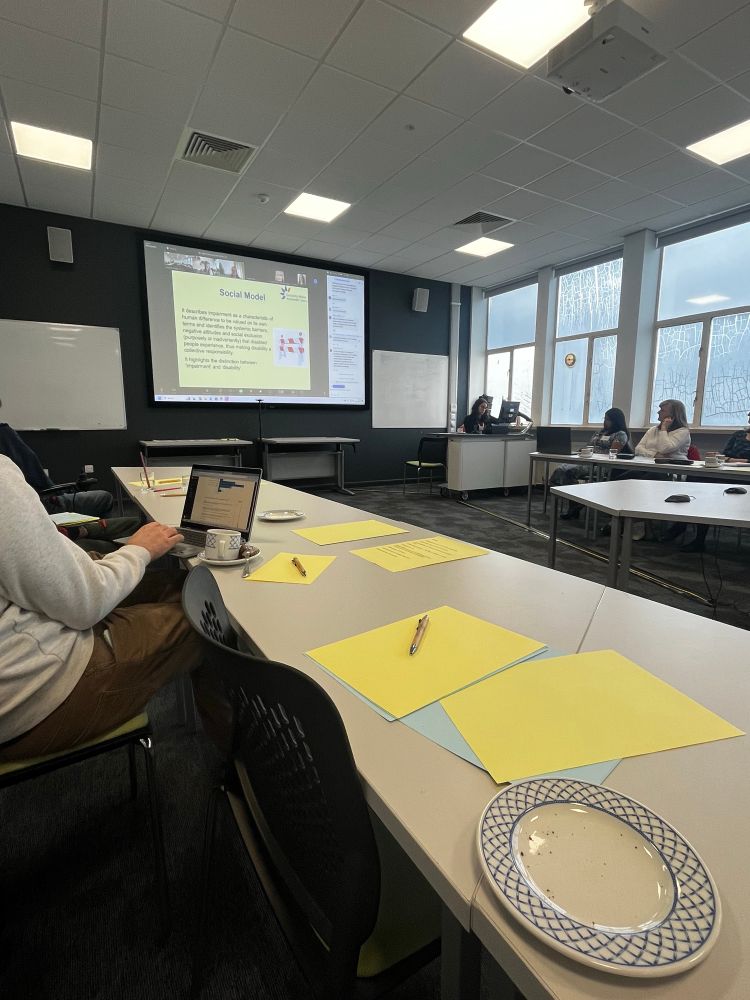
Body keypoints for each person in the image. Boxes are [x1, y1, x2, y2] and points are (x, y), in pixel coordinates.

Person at [0, 455, 212, 760]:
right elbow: (84, 603)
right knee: (206, 616)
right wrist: (139, 550)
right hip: (31, 695)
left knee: (182, 584)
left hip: (29, 642)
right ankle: (238, 769)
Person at [664, 411, 750, 552]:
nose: (749, 417)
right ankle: (686, 525)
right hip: (726, 474)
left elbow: (728, 457)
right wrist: (735, 460)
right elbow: (723, 454)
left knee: (708, 491)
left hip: (744, 480)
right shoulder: (739, 435)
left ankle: (688, 530)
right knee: (697, 482)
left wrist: (738, 460)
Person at [552, 408, 632, 519]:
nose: (605, 421)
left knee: (569, 471)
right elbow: (589, 446)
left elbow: (613, 452)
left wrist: (594, 453)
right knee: (561, 469)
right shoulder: (600, 432)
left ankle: (576, 504)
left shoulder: (620, 434)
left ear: (615, 420)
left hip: (602, 465)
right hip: (587, 460)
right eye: (604, 418)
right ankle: (577, 502)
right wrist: (581, 451)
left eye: (608, 419)